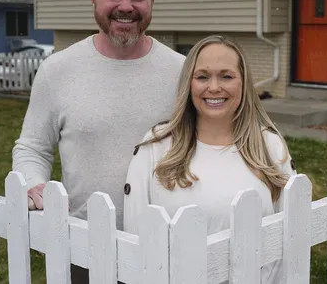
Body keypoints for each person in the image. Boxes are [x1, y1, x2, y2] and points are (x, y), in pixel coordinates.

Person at [11, 0, 185, 283]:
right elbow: (33, 147)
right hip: (84, 245)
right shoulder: (57, 71)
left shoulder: (181, 71)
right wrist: (33, 182)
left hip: (165, 245)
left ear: (152, 1)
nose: (126, 6)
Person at [123, 35, 297, 284]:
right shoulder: (157, 145)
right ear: (189, 83)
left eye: (226, 76)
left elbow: (287, 241)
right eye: (202, 76)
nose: (214, 87)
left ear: (243, 83)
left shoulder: (270, 145)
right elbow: (135, 238)